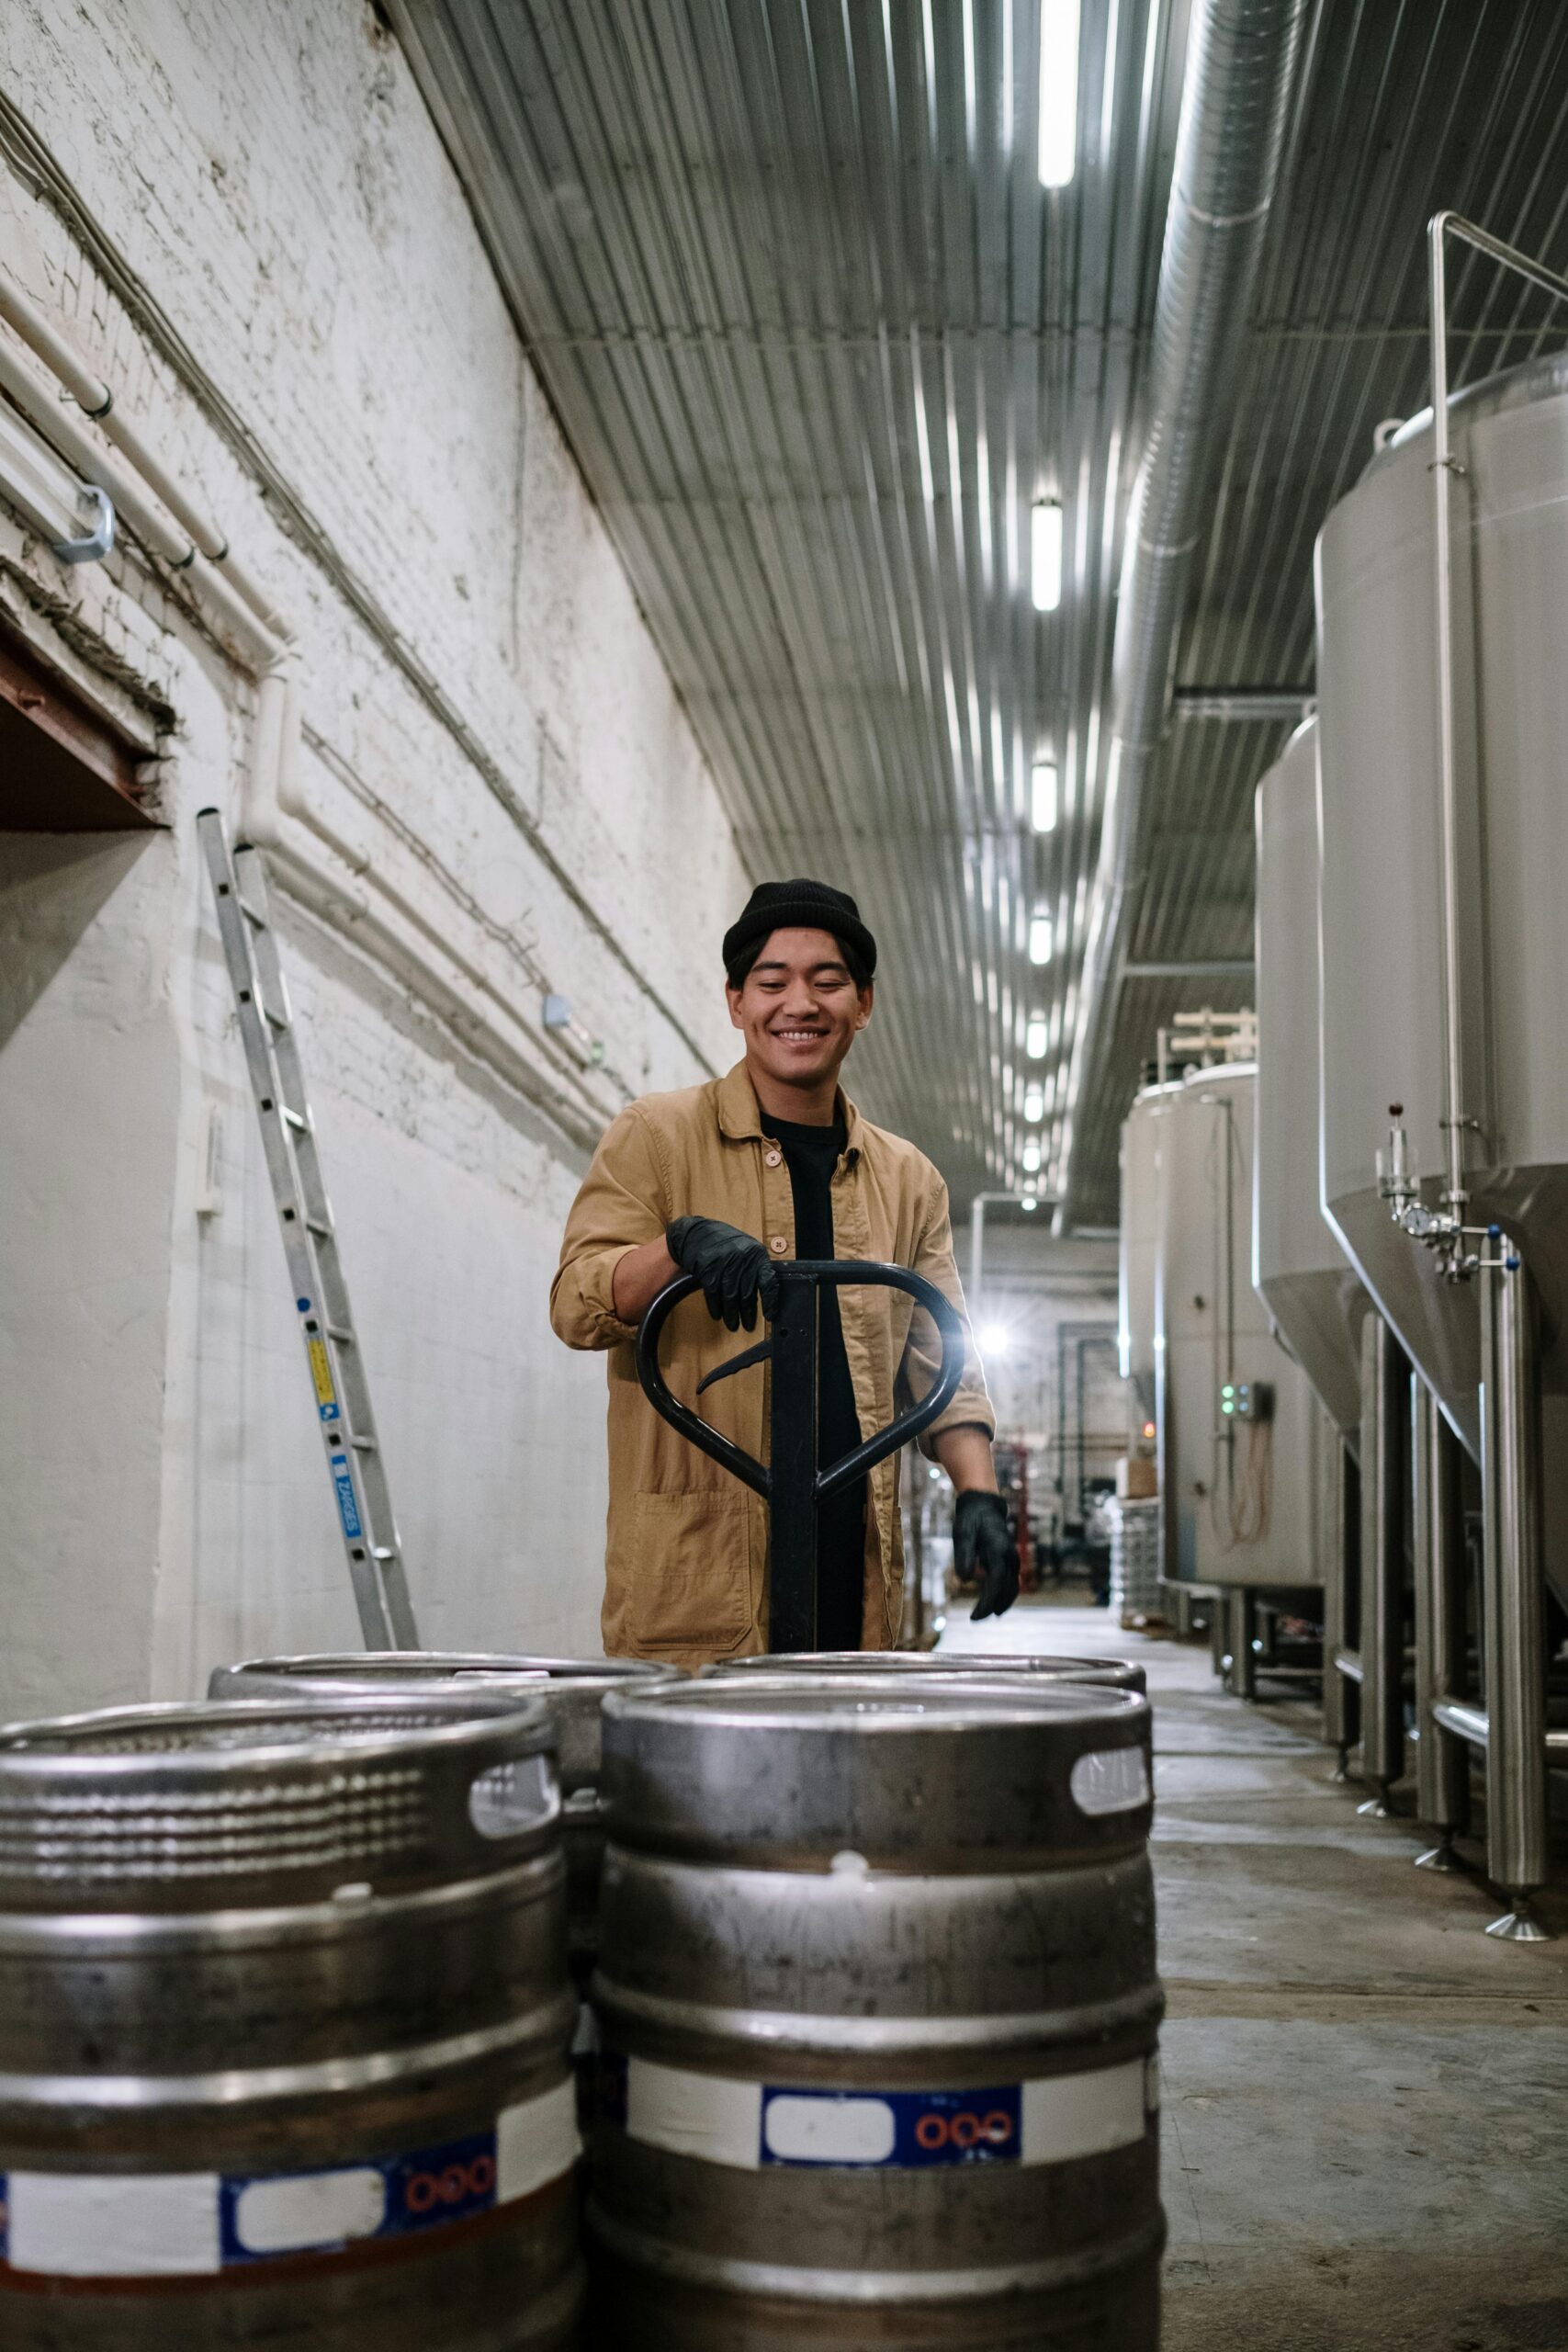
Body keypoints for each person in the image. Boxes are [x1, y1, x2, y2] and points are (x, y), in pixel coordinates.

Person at [549, 877, 1018, 1667]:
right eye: (772, 982)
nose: (798, 1003)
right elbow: (576, 1303)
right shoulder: (656, 1137)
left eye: (826, 981)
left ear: (862, 1004)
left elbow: (945, 1361)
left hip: (851, 1565)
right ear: (736, 1003)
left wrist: (979, 1489)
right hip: (700, 1576)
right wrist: (678, 1246)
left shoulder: (908, 1179)